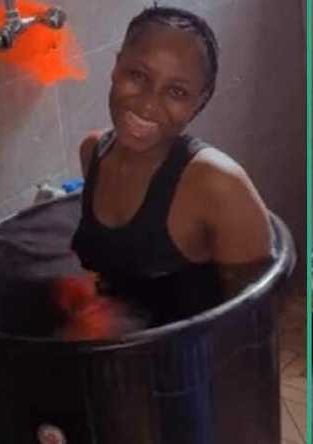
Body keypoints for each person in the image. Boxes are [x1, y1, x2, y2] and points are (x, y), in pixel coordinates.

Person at [63, 6, 274, 335]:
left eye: (176, 92)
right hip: (112, 363)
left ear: (200, 101)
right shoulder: (92, 152)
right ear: (117, 66)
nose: (147, 104)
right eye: (138, 76)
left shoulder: (217, 184)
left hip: (188, 375)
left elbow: (251, 320)